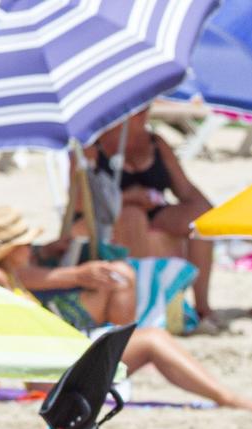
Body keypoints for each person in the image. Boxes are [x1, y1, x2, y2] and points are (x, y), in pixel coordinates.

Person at [0, 206, 252, 410]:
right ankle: (226, 398)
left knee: (147, 329)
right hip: (52, 378)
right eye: (26, 244)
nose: (31, 248)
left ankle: (224, 396)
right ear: (10, 249)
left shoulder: (11, 277)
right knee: (151, 339)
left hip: (57, 367)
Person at [87, 109, 217, 324]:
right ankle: (143, 304)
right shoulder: (93, 146)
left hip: (155, 210)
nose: (143, 114)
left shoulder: (156, 143)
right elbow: (85, 202)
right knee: (132, 215)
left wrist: (211, 212)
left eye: (145, 108)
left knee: (202, 218)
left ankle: (203, 306)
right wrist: (129, 197)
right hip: (110, 214)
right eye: (136, 110)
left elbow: (185, 189)